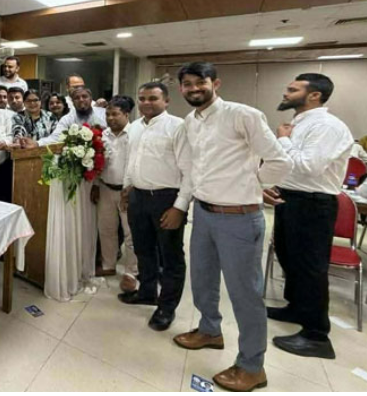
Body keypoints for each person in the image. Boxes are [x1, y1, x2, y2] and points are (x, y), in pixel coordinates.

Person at [173, 62, 292, 392]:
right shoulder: (190, 121)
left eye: (200, 82)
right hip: (204, 213)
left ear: (216, 83)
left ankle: (252, 366)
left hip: (239, 218)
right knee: (202, 280)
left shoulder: (243, 115)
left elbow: (281, 161)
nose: (194, 88)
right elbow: (196, 167)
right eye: (187, 84)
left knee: (244, 294)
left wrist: (254, 183)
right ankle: (210, 330)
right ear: (180, 88)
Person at [265, 73, 352, 359]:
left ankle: (316, 336)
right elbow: (289, 166)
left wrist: (283, 140)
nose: (286, 93)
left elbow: (308, 166)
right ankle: (297, 309)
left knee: (310, 267)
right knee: (289, 258)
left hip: (313, 204)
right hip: (291, 198)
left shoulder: (327, 126)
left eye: (293, 89)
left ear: (314, 95)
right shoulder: (299, 124)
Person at [118, 82, 191, 334]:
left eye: (153, 98)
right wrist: (126, 189)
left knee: (170, 257)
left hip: (166, 199)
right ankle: (147, 292)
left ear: (166, 101)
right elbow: (132, 161)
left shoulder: (178, 126)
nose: (146, 103)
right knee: (143, 249)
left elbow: (189, 170)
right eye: (142, 98)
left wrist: (180, 206)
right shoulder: (135, 127)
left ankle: (166, 307)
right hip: (138, 196)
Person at [24, 87, 103, 300]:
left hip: (97, 177)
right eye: (77, 98)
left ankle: (94, 263)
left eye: (85, 96)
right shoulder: (68, 118)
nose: (81, 100)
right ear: (72, 102)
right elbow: (56, 138)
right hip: (77, 178)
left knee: (95, 224)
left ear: (91, 98)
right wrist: (37, 143)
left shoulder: (102, 114)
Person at [90, 95, 138, 292]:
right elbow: (97, 163)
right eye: (108, 114)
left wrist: (130, 189)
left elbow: (136, 164)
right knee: (106, 229)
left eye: (115, 114)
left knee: (130, 233)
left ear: (126, 114)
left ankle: (131, 272)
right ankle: (108, 264)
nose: (110, 118)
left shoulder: (135, 134)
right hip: (105, 188)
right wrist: (95, 185)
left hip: (128, 191)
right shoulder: (102, 135)